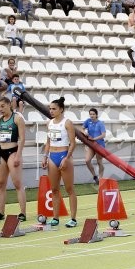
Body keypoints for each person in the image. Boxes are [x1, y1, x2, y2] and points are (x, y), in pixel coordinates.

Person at [0, 97, 27, 222]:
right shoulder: (0, 119)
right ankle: (0, 212)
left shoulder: (17, 118)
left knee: (17, 183)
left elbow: (22, 139)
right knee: (0, 183)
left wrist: (18, 155)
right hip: (0, 152)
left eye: (3, 106)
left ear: (9, 105)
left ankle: (22, 213)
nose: (1, 109)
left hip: (12, 152)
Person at [41, 97, 78, 228]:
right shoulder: (49, 123)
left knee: (69, 189)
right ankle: (55, 217)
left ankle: (73, 218)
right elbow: (48, 142)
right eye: (50, 109)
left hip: (64, 155)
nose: (51, 111)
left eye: (54, 109)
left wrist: (67, 157)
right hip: (52, 156)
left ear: (61, 109)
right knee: (54, 189)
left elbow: (73, 143)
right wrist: (45, 156)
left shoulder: (67, 123)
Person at [83, 107, 106, 184]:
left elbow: (103, 135)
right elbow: (81, 128)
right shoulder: (88, 121)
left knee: (99, 162)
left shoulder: (100, 123)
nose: (92, 115)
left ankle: (101, 178)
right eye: (90, 114)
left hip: (99, 145)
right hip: (91, 144)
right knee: (87, 160)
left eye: (93, 114)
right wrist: (84, 132)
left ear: (96, 115)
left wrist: (94, 139)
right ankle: (94, 176)